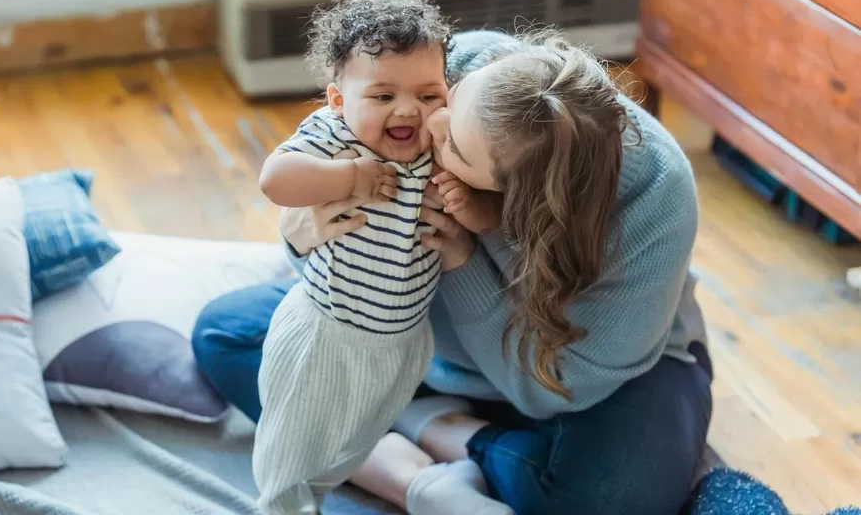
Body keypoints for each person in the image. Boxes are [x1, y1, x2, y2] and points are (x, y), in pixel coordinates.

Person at [193, 26, 714, 515]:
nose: (429, 122)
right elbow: (315, 196)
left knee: (612, 501)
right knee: (226, 333)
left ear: (517, 202)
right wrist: (301, 234)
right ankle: (421, 470)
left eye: (455, 148)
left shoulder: (655, 205)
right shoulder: (446, 70)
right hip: (407, 335)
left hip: (569, 375)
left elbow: (554, 388)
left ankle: (445, 434)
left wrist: (464, 258)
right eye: (453, 98)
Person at [247, 0, 477, 514]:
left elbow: (488, 208)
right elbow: (274, 179)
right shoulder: (336, 140)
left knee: (349, 447)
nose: (407, 111)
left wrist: (468, 208)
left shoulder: (442, 145)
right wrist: (349, 175)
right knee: (292, 448)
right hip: (327, 333)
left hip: (402, 344)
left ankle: (319, 493)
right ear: (337, 101)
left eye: (428, 96)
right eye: (381, 96)